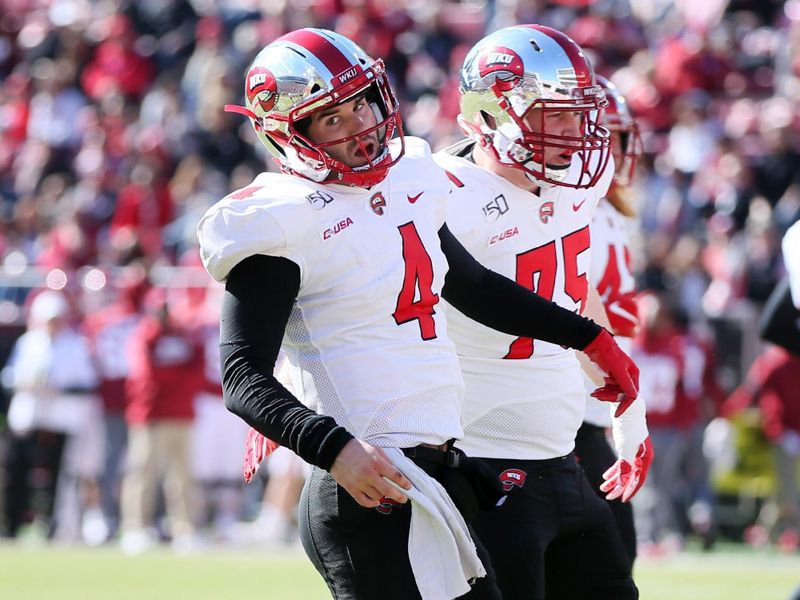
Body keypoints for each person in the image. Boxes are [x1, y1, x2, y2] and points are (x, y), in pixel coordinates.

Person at [199, 28, 638, 600]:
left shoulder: (409, 175)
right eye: (332, 119)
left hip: (440, 470)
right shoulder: (280, 218)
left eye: (361, 104)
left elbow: (473, 286)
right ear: (291, 134)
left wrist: (588, 339)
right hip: (366, 483)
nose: (360, 126)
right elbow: (240, 376)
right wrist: (329, 446)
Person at [432, 25, 647, 600]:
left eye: (579, 116)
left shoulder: (578, 183)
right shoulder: (437, 192)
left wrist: (629, 407)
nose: (575, 135)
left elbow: (571, 293)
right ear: (490, 114)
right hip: (480, 464)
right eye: (554, 116)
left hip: (564, 457)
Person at [575, 75, 645, 568]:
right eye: (608, 136)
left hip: (595, 414)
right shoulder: (572, 214)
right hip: (569, 416)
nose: (618, 151)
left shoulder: (611, 215)